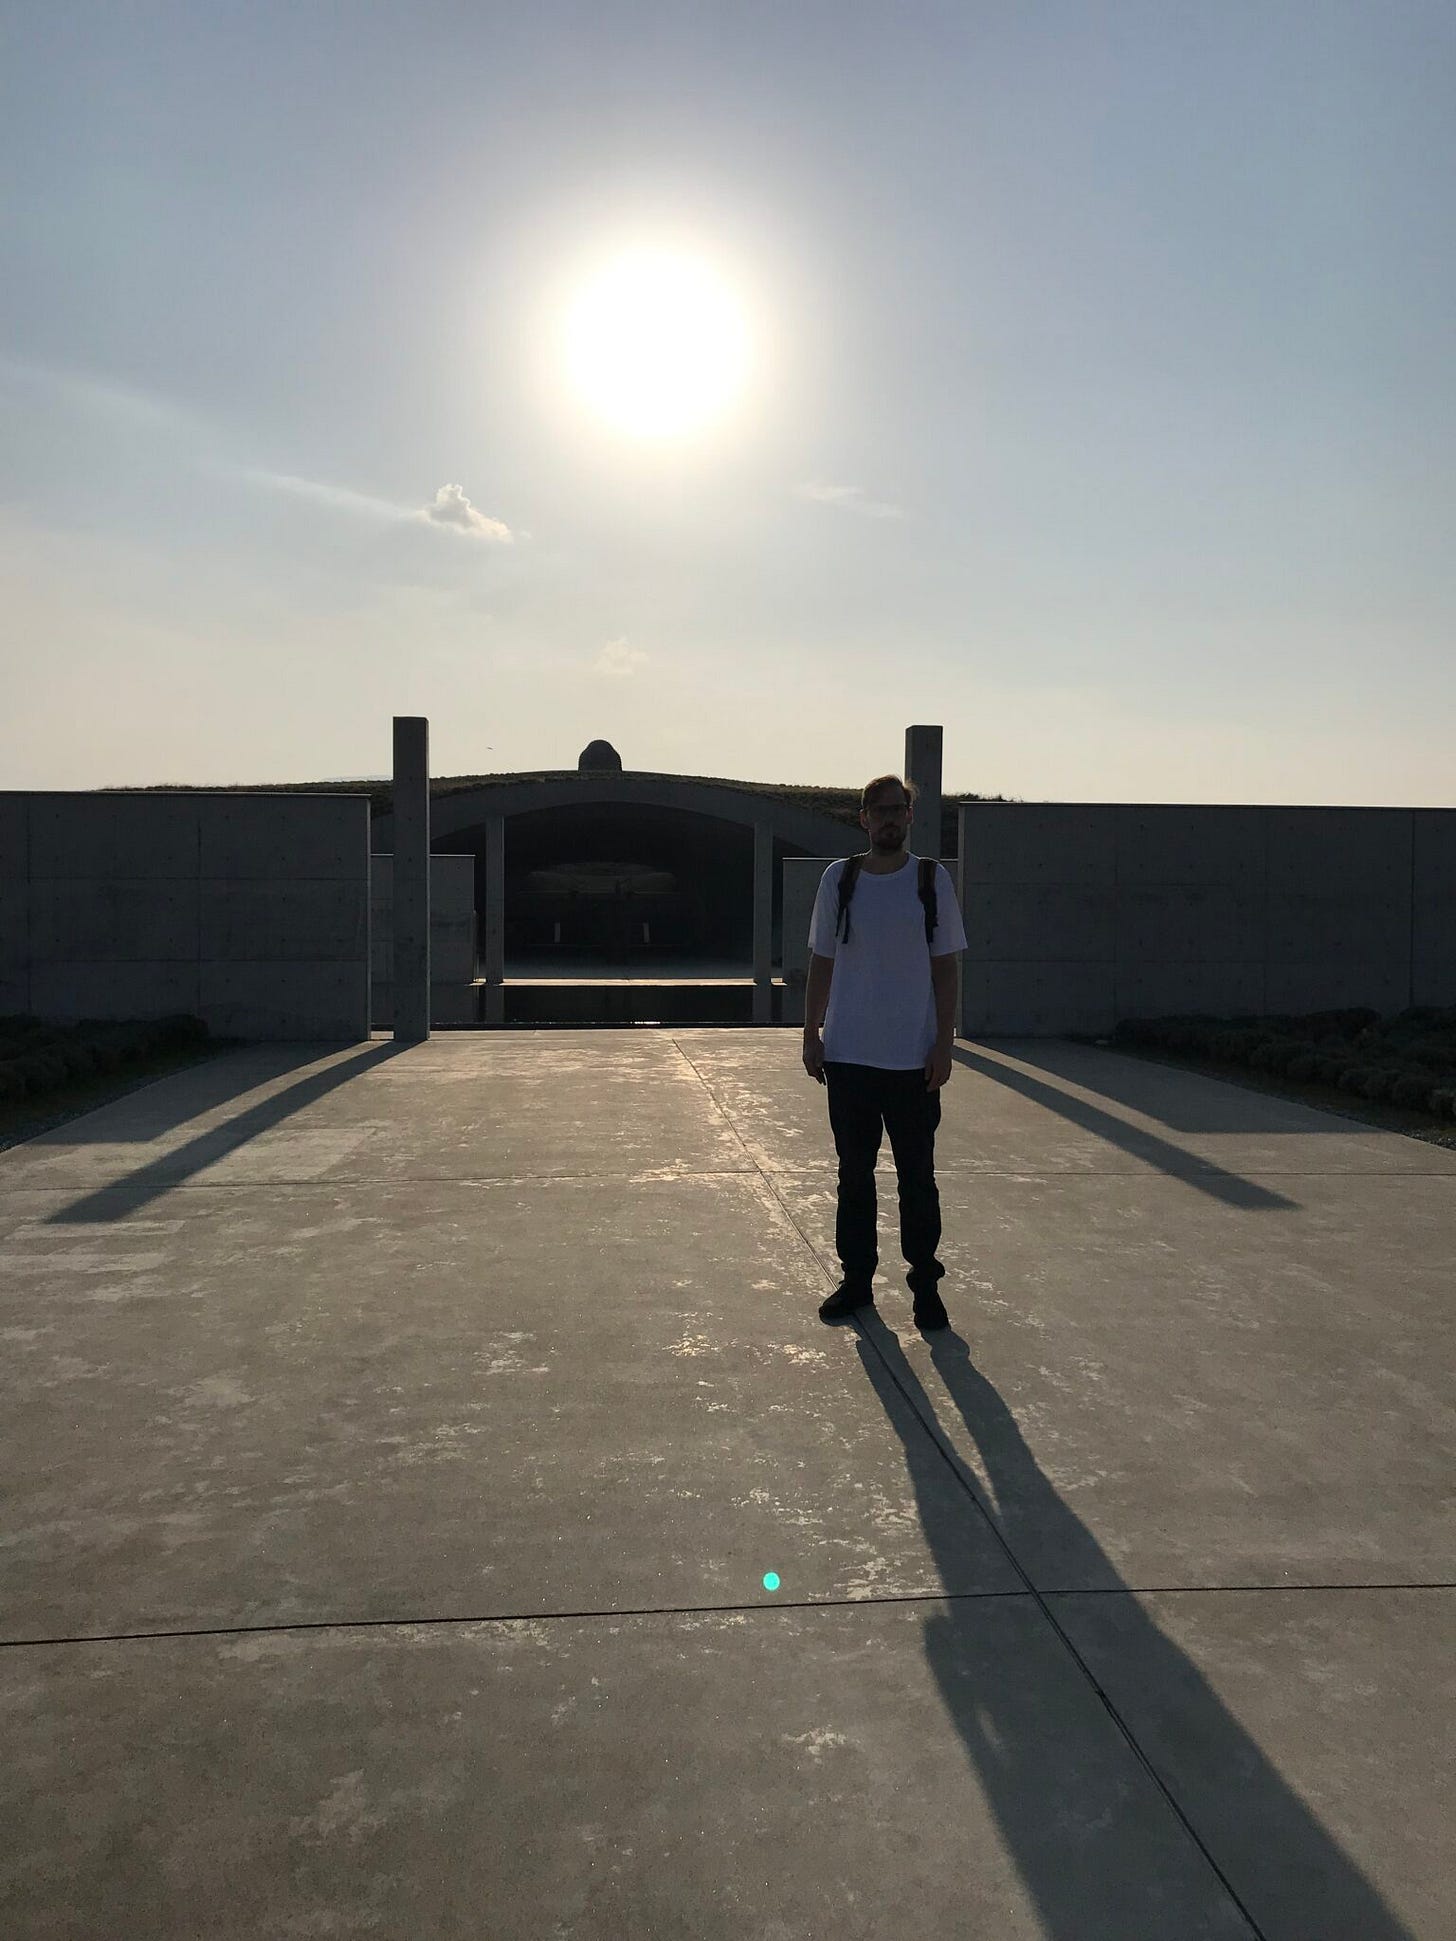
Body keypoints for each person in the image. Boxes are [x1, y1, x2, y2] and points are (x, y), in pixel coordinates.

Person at [801, 776, 967, 1330]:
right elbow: (822, 960)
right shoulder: (839, 878)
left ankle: (925, 1288)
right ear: (864, 818)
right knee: (854, 1176)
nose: (889, 818)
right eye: (880, 810)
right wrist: (811, 1033)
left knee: (917, 1178)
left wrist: (943, 1044)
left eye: (898, 809)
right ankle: (856, 1282)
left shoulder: (930, 880)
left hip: (913, 1060)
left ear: (910, 816)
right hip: (849, 1055)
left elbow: (946, 967)